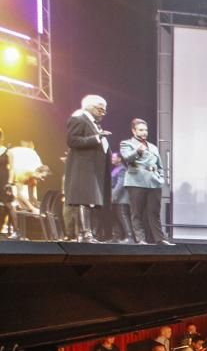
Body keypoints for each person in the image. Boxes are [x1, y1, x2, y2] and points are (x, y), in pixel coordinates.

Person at [65, 94, 112, 243]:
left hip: (95, 169)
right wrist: (97, 138)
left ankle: (93, 233)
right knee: (84, 200)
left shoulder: (94, 124)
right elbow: (72, 140)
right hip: (83, 167)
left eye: (105, 110)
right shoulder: (78, 119)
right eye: (100, 109)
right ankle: (86, 233)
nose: (103, 113)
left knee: (94, 202)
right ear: (89, 107)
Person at [119, 118, 169, 245]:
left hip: (154, 181)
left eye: (145, 130)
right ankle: (141, 239)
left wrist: (160, 177)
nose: (144, 132)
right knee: (137, 212)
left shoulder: (153, 147)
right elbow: (126, 158)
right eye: (141, 130)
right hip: (136, 181)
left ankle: (160, 239)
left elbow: (160, 165)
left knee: (154, 212)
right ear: (133, 131)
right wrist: (137, 151)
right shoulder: (127, 143)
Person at [109, 152, 133, 243]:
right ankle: (117, 236)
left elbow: (120, 184)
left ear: (119, 159)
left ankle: (129, 237)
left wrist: (113, 196)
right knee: (115, 217)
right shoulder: (116, 169)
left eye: (113, 157)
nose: (112, 158)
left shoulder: (122, 169)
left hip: (121, 198)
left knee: (123, 217)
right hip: (115, 199)